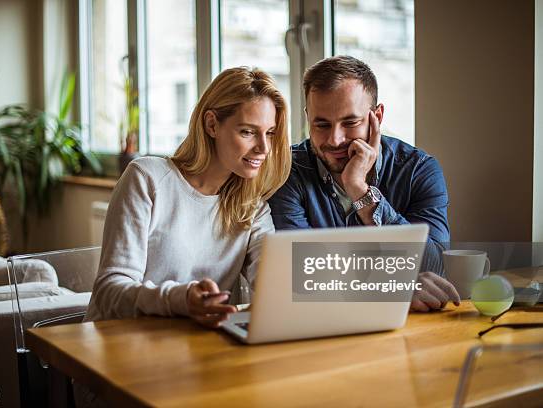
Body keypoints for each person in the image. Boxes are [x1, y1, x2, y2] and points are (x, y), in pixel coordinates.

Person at [85, 67, 291, 328]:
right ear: (211, 124)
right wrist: (180, 299)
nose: (264, 148)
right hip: (118, 345)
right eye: (248, 132)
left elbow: (271, 283)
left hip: (194, 349)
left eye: (270, 133)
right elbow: (109, 292)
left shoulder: (253, 208)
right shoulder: (147, 179)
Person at [268, 56, 459, 312]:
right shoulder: (287, 170)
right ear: (307, 117)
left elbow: (434, 267)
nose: (335, 140)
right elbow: (298, 273)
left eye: (350, 123)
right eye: (321, 124)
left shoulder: (418, 170)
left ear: (376, 116)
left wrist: (359, 189)